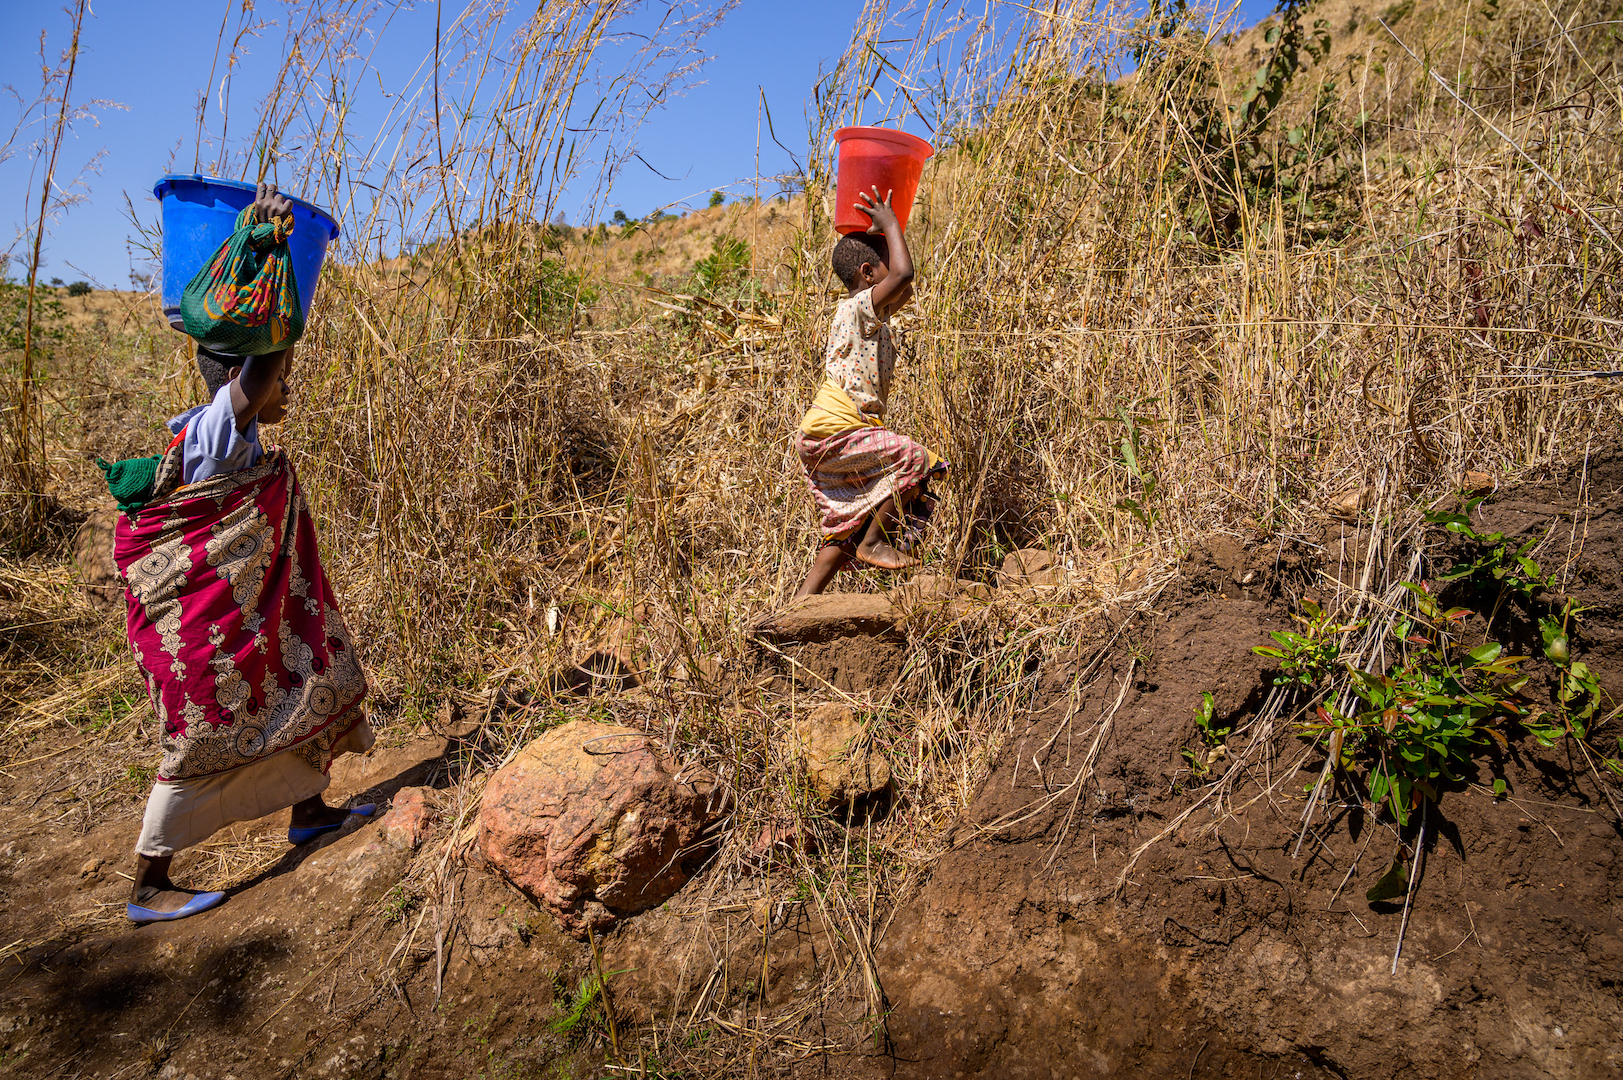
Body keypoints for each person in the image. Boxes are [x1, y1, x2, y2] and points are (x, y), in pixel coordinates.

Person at [113, 183, 375, 924]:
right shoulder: (215, 431)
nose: (284, 388)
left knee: (289, 679)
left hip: (241, 616)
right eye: (278, 379)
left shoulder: (230, 434)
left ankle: (310, 809)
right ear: (244, 380)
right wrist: (274, 274)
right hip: (208, 627)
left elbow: (258, 376)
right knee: (204, 734)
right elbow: (260, 370)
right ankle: (147, 882)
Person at [792, 185, 945, 597]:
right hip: (835, 429)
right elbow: (904, 275)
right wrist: (891, 220)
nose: (893, 273)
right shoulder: (858, 307)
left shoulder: (869, 317)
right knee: (915, 460)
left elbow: (902, 282)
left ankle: (799, 607)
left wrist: (891, 240)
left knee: (848, 529)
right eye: (883, 266)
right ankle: (874, 544)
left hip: (827, 434)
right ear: (865, 273)